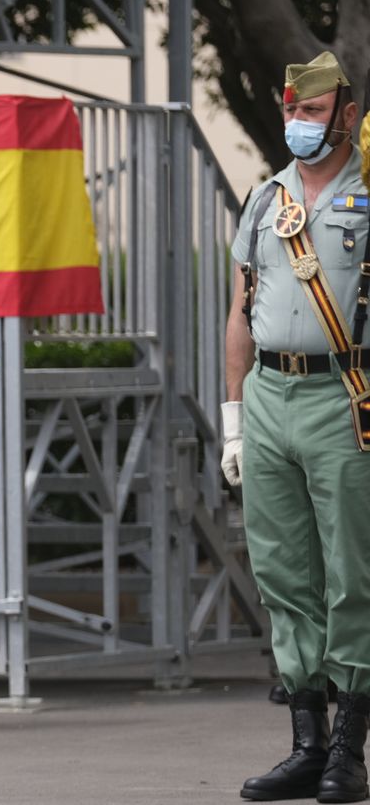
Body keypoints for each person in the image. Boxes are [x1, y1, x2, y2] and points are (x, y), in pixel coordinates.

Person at [222, 52, 370, 804]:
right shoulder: (265, 197)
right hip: (270, 393)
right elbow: (240, 312)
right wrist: (233, 422)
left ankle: (351, 746)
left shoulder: (368, 190)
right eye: (293, 112)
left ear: (347, 114)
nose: (299, 124)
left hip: (345, 395)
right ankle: (306, 740)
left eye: (313, 113)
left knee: (352, 571)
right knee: (283, 571)